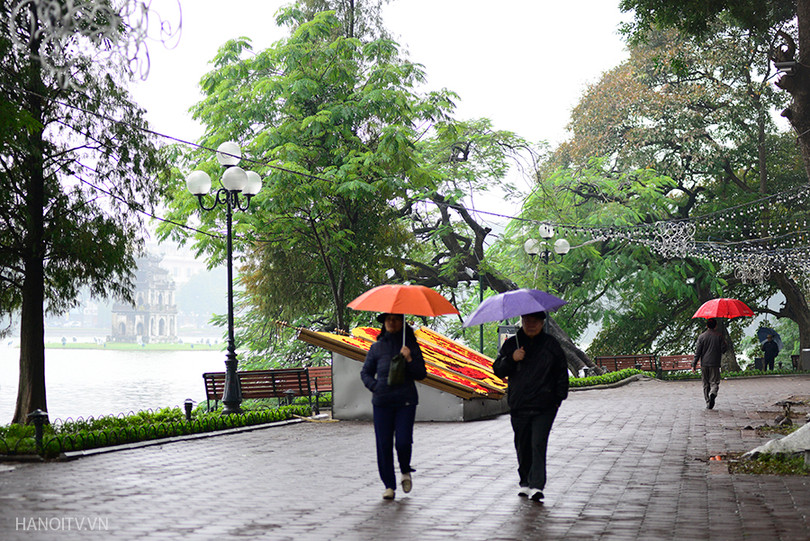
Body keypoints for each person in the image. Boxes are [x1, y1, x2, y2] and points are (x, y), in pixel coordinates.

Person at [492, 311, 569, 502]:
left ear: (542, 323)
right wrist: (512, 359)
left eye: (535, 321)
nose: (531, 324)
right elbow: (498, 369)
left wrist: (557, 398)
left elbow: (561, 373)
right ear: (522, 322)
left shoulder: (551, 345)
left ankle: (537, 485)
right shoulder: (512, 344)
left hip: (545, 406)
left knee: (538, 443)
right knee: (522, 444)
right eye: (527, 321)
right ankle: (525, 481)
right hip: (519, 405)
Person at [360, 313, 427, 500]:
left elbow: (421, 373)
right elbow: (365, 372)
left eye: (395, 319)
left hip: (405, 401)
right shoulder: (376, 347)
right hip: (382, 402)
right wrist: (375, 386)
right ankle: (389, 485)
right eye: (388, 319)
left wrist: (409, 359)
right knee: (384, 444)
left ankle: (405, 469)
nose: (391, 322)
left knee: (404, 441)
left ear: (402, 323)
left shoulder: (410, 347)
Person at [692, 318, 727, 409]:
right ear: (715, 326)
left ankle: (708, 401)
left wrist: (694, 364)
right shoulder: (719, 336)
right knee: (714, 382)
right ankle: (713, 393)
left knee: (705, 383)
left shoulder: (701, 337)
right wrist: (724, 343)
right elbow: (724, 350)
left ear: (707, 326)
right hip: (714, 363)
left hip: (704, 364)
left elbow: (698, 352)